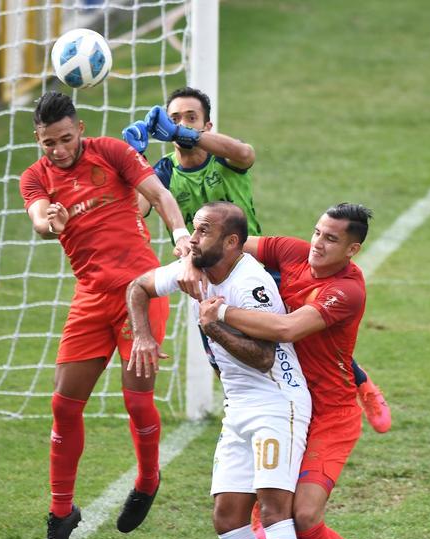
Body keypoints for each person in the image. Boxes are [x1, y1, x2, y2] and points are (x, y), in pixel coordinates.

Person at [122, 86, 392, 433]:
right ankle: (244, 409)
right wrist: (133, 165)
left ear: (207, 126)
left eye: (191, 118)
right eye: (174, 118)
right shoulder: (164, 171)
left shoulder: (222, 157)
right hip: (206, 270)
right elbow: (136, 209)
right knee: (221, 349)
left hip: (255, 266)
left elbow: (245, 153)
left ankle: (362, 385)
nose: (182, 124)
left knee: (300, 337)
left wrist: (181, 133)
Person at [199, 203, 415, 539]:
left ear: (352, 249)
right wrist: (193, 255)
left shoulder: (347, 290)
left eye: (331, 239)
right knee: (271, 520)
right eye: (317, 232)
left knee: (303, 516)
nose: (318, 243)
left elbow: (287, 330)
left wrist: (218, 312)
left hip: (330, 414)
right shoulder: (292, 251)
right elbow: (230, 243)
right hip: (284, 403)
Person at [19, 91, 193, 539]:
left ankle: (148, 480)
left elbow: (158, 195)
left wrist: (180, 236)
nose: (59, 149)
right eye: (49, 142)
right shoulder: (35, 177)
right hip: (92, 298)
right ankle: (61, 513)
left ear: (80, 129)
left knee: (136, 400)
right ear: (38, 139)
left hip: (141, 290)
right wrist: (49, 221)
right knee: (63, 405)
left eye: (66, 139)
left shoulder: (112, 152)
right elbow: (38, 219)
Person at [126, 202, 311, 539]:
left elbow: (264, 358)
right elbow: (137, 287)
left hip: (276, 403)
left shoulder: (251, 284)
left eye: (203, 231)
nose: (192, 239)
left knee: (273, 510)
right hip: (238, 407)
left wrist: (214, 327)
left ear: (230, 242)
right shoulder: (195, 269)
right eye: (194, 229)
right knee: (227, 517)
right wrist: (143, 336)